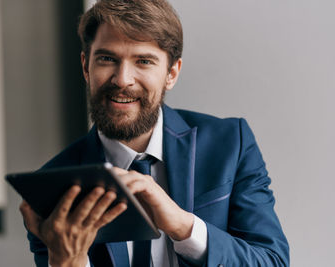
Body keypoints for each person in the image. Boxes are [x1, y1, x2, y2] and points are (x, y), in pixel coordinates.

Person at [19, 0, 289, 266]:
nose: (123, 79)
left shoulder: (231, 144)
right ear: (85, 67)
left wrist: (184, 226)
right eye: (107, 59)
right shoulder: (53, 192)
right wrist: (69, 262)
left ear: (171, 73)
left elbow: (272, 261)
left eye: (144, 61)